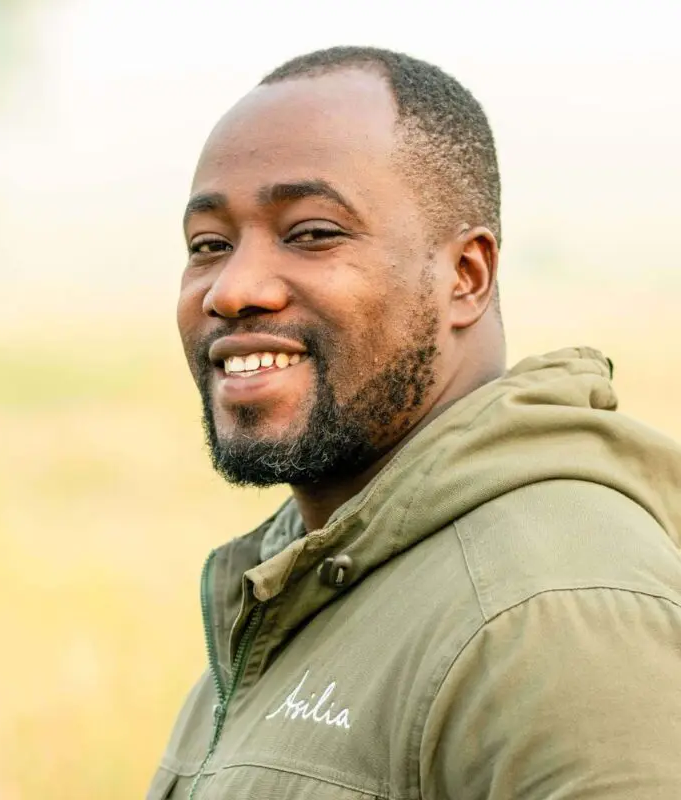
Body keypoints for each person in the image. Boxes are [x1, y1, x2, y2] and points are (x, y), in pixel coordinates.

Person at [148, 46, 681, 800]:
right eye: (210, 245)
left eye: (312, 233)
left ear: (466, 276)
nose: (233, 289)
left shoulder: (551, 617)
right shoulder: (303, 582)